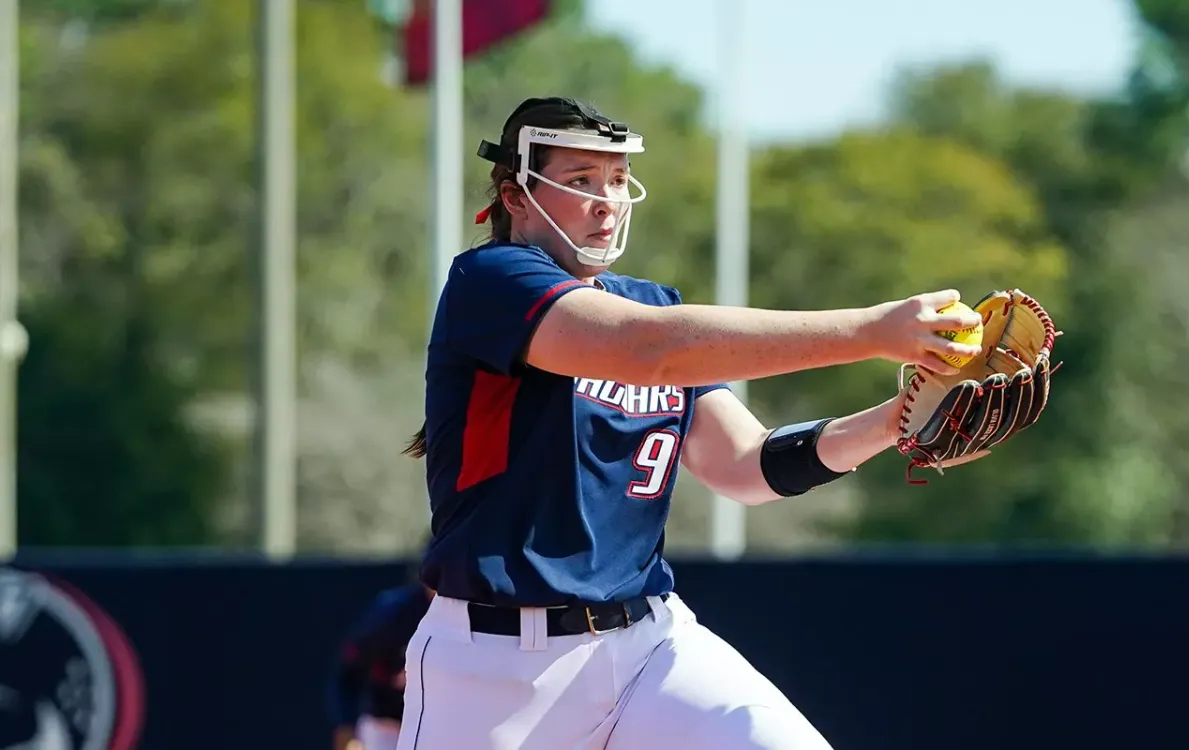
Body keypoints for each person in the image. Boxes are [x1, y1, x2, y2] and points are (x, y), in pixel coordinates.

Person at [395, 96, 983, 750]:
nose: (607, 200)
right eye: (581, 180)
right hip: (494, 669)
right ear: (517, 195)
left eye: (617, 180)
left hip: (649, 647)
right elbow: (643, 350)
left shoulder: (649, 304)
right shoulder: (489, 281)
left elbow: (748, 465)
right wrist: (873, 331)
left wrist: (898, 422)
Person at [328, 579, 433, 750]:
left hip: (440, 724)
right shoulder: (394, 614)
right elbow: (348, 672)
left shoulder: (471, 613)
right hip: (387, 725)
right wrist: (345, 724)